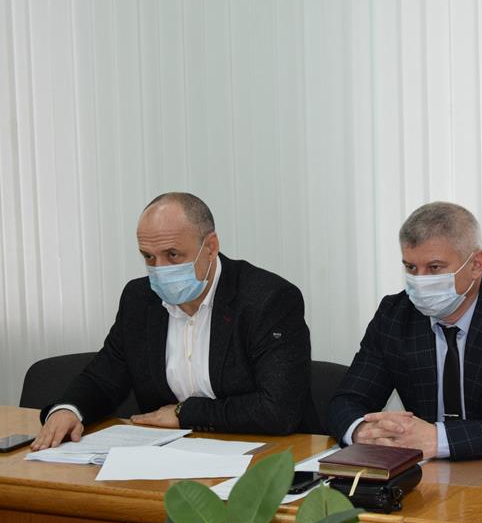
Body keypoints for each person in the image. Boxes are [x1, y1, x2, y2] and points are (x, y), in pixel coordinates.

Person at [31, 192, 311, 450]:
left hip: (261, 456)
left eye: (172, 255)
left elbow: (278, 410)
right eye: (148, 257)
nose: (159, 270)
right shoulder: (139, 299)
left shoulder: (267, 300)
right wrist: (69, 409)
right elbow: (103, 377)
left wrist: (185, 413)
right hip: (167, 459)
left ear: (210, 247)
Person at [328, 201, 482, 460]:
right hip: (424, 473)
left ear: (476, 264)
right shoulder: (395, 315)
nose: (419, 281)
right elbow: (346, 401)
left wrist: (439, 439)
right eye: (411, 267)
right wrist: (362, 431)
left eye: (434, 267)